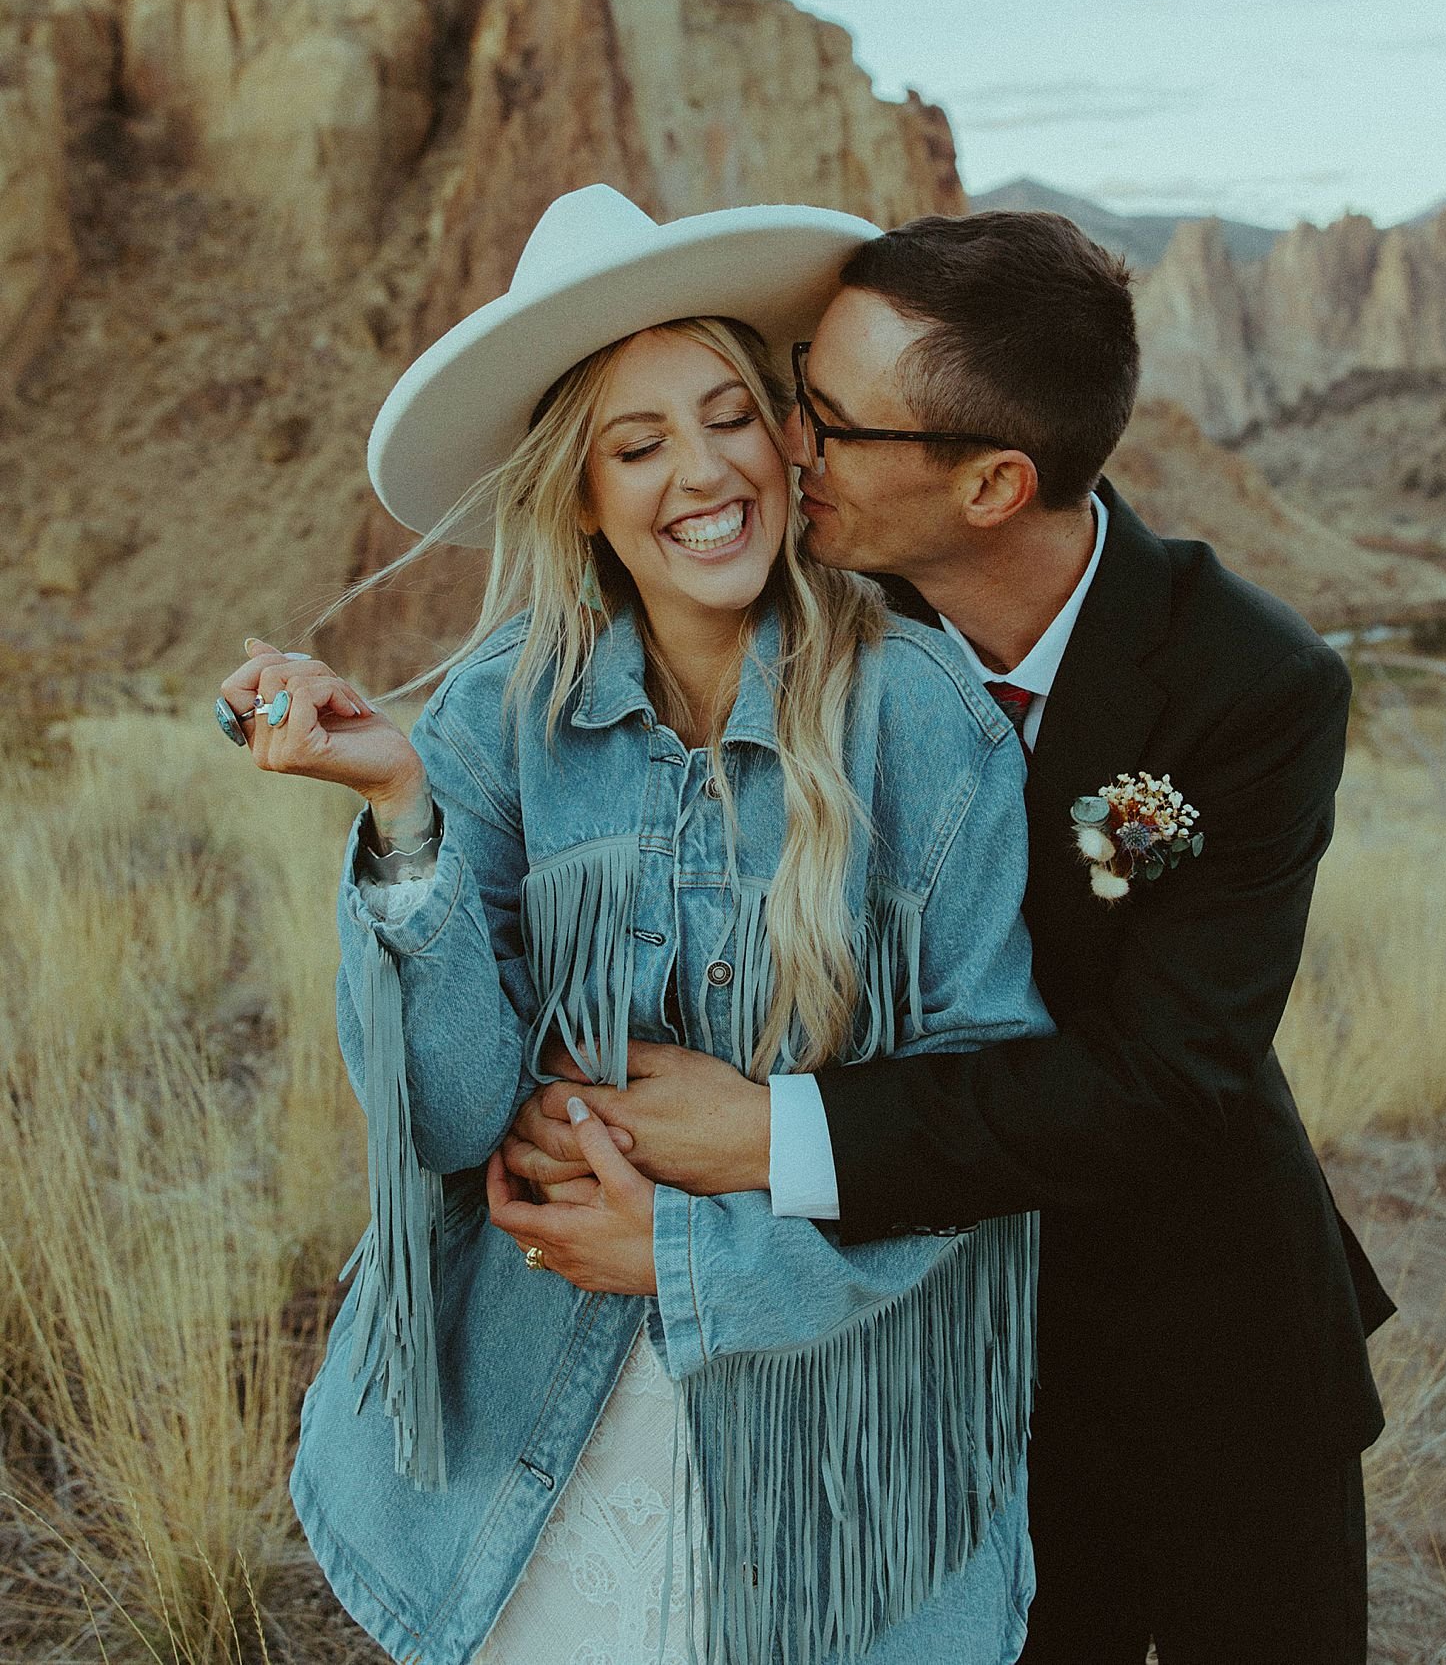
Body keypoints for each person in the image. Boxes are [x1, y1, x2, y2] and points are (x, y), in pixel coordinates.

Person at [504, 206, 1397, 1665]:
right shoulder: (808, 617)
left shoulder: (1250, 684)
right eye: (799, 387)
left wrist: (769, 1139)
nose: (785, 448)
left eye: (831, 422)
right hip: (920, 1352)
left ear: (992, 482)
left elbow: (1165, 1083)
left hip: (1200, 1342)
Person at [214, 185, 1053, 1665]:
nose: (702, 472)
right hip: (544, 1430)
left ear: (792, 445)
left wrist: (693, 1253)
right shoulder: (497, 716)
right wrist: (405, 811)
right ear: (581, 493)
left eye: (730, 415)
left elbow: (982, 1123)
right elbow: (453, 1111)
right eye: (637, 442)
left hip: (832, 1450)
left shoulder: (925, 730)